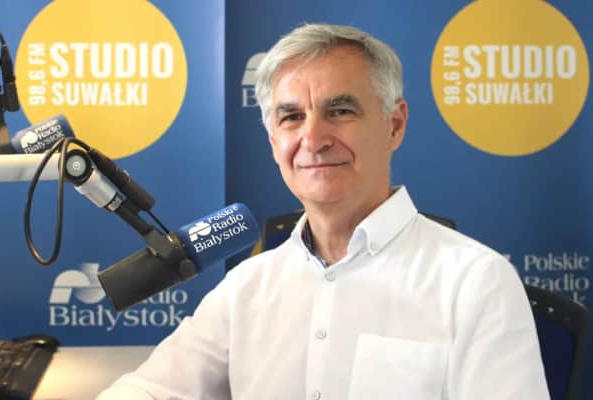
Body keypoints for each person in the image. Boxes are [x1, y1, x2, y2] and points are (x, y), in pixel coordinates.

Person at [97, 23, 549, 400]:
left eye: (341, 111)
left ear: (394, 125)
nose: (313, 139)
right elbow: (150, 389)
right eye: (291, 117)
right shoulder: (248, 286)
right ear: (274, 141)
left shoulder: (476, 283)